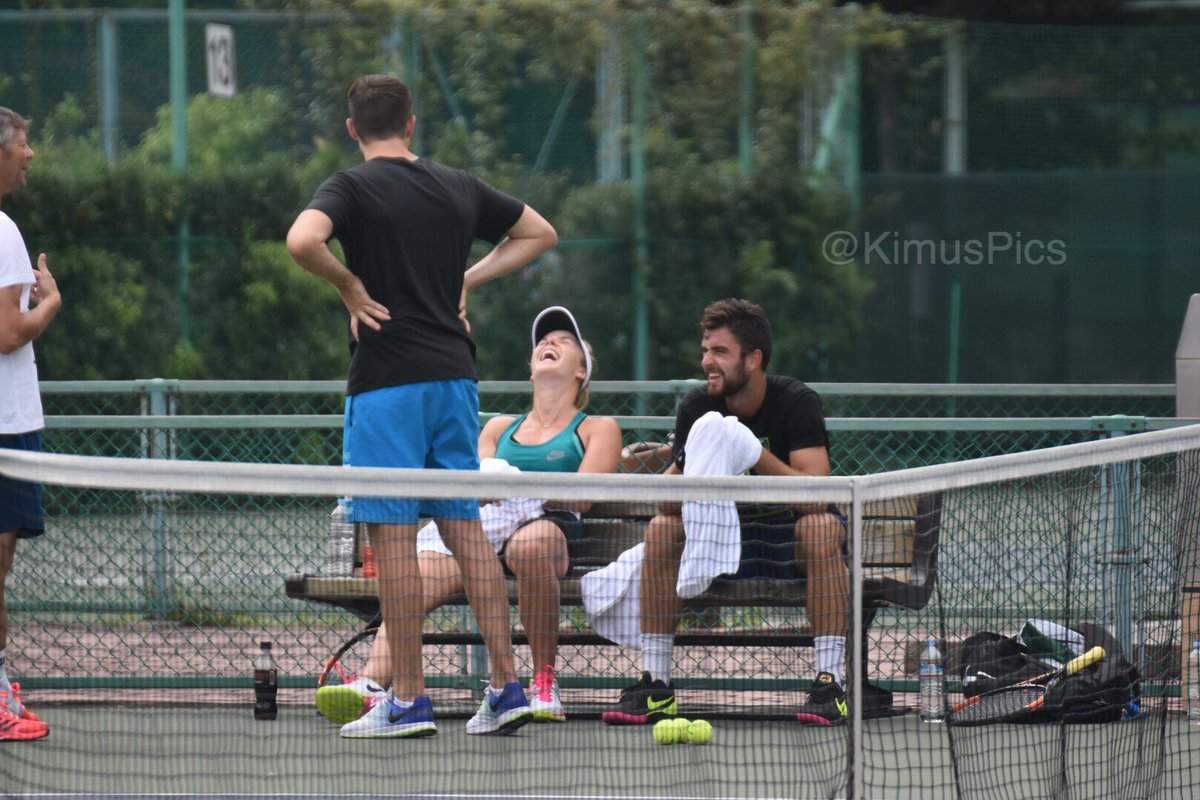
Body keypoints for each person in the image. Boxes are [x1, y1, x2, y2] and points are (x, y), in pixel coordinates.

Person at [286, 75, 558, 738]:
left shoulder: (349, 187)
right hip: (454, 382)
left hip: (387, 386)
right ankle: (507, 687)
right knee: (467, 533)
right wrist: (466, 278)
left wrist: (349, 286)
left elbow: (301, 241)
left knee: (395, 543)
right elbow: (539, 233)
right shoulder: (458, 185)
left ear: (353, 129)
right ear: (411, 124)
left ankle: (409, 698)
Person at [315, 306, 622, 729]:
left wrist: (514, 484)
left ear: (581, 372)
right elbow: (472, 484)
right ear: (531, 371)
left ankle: (543, 685)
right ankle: (373, 684)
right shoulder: (497, 428)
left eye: (565, 342)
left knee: (530, 547)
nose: (550, 343)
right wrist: (490, 486)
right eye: (543, 341)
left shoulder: (597, 428)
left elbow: (584, 497)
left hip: (548, 527)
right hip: (484, 534)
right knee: (414, 577)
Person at [600, 298, 856, 727]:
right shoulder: (698, 407)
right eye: (705, 350)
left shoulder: (796, 401)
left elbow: (816, 496)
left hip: (784, 540)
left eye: (719, 351)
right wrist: (689, 458)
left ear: (753, 359)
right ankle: (656, 685)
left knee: (820, 527)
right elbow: (667, 503)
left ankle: (830, 684)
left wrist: (753, 453)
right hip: (714, 539)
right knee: (662, 529)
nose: (707, 362)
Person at [0, 107, 60, 742]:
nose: (31, 154)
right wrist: (50, 304)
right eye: (23, 143)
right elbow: (8, 333)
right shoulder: (2, 230)